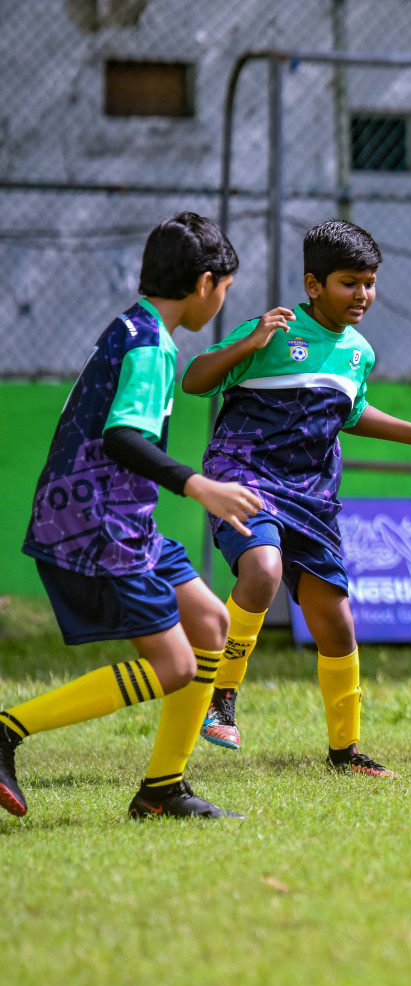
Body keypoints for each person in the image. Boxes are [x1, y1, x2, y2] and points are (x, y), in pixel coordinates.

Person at [0, 212, 264, 819]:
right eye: (225, 290)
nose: (221, 302)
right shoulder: (150, 346)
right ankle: (7, 729)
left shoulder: (133, 326)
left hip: (125, 517)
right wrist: (202, 487)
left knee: (209, 626)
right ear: (205, 283)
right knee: (173, 666)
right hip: (100, 522)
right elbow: (123, 437)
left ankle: (162, 790)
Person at [182, 220, 411, 777]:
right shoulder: (274, 330)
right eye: (348, 283)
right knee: (262, 570)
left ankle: (345, 752)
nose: (362, 295)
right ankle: (221, 698)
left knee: (336, 624)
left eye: (369, 283)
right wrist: (248, 342)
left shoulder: (359, 351)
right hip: (245, 478)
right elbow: (195, 380)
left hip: (311, 496)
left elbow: (353, 413)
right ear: (313, 285)